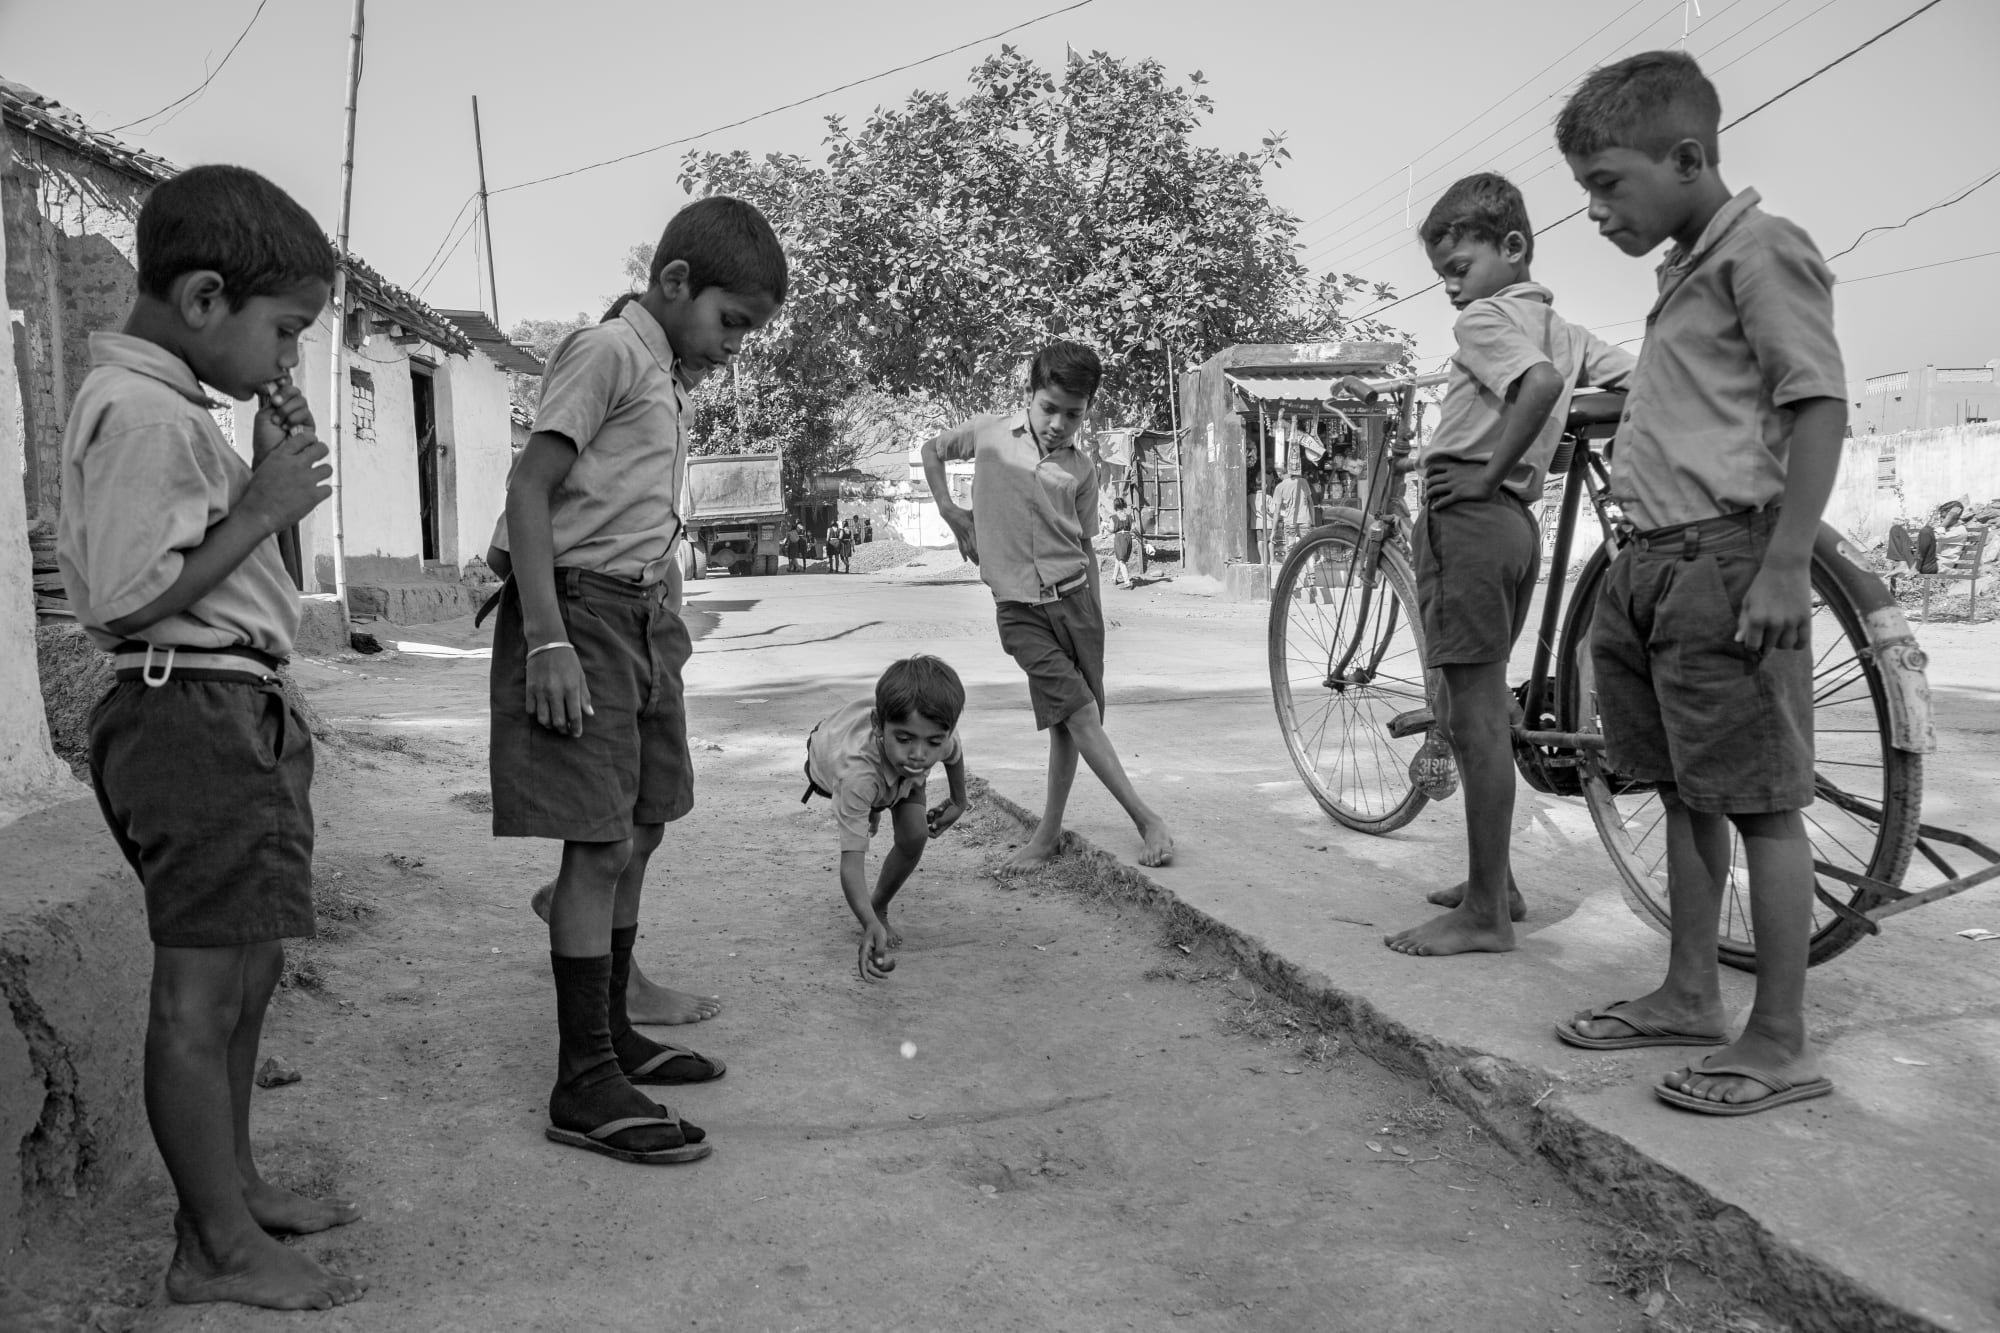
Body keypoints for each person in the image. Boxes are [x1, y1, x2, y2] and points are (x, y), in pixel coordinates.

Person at [55, 164, 365, 1309]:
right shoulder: (140, 414)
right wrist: (263, 506)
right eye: (284, 332)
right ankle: (212, 1248)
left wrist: (273, 496)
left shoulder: (178, 410)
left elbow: (236, 580)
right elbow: (134, 596)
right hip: (188, 711)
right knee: (199, 995)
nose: (287, 358)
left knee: (250, 968)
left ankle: (231, 1188)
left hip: (231, 703)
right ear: (200, 300)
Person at [1551, 52, 1846, 1117]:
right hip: (1650, 567)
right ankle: (1687, 992)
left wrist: (1782, 560)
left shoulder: (1758, 251)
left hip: (1726, 561)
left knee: (1759, 803)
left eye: (1606, 184)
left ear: (1685, 158)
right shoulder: (1681, 273)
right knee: (1681, 788)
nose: (1592, 210)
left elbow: (1815, 403)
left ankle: (1777, 1036)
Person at [486, 196, 786, 1163]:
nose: (735, 345)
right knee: (598, 842)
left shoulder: (660, 374)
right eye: (731, 322)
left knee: (645, 819)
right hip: (578, 619)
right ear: (674, 284)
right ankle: (583, 1083)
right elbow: (530, 488)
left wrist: (667, 612)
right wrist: (547, 642)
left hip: (639, 621)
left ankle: (611, 1036)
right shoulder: (608, 351)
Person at [1383, 171, 1634, 959]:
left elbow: (1541, 385)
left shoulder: (1489, 320)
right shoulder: (1561, 325)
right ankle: (1497, 881)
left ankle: (1487, 910)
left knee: (1478, 719)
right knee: (1473, 708)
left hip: (1469, 517)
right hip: (1517, 525)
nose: (1453, 291)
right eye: (1444, 277)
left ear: (1513, 247)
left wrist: (1489, 468)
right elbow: (1635, 382)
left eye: (1459, 267)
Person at [921, 341, 1175, 868]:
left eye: (1074, 414)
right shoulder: (989, 434)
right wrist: (951, 512)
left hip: (1077, 602)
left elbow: (1084, 544)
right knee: (1081, 714)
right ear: (1029, 394)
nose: (1059, 422)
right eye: (1049, 408)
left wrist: (1097, 620)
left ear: (1087, 411)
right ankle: (1146, 819)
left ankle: (1048, 835)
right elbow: (932, 450)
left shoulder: (1083, 470)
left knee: (1069, 722)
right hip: (1020, 612)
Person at [803, 656, 970, 980]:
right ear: (879, 726)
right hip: (829, 751)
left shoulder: (932, 735)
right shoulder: (856, 777)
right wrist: (867, 925)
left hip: (893, 775)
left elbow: (953, 752)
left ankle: (880, 903)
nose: (920, 753)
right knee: (870, 797)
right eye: (905, 738)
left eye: (933, 742)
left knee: (914, 835)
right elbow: (851, 863)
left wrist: (959, 800)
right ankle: (874, 812)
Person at [1271, 461, 1314, 560]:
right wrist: (1313, 522)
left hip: (1290, 522)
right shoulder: (1303, 482)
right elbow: (1311, 503)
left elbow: (1276, 512)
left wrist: (1273, 531)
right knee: (1308, 549)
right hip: (1305, 520)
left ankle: (1291, 574)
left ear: (1280, 473)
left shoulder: (1279, 487)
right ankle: (1311, 575)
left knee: (1290, 550)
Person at [1109, 497, 1137, 587]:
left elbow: (1112, 530)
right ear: (1123, 505)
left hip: (1119, 539)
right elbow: (1134, 528)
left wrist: (1104, 526)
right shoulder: (1129, 516)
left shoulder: (1113, 517)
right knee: (1119, 557)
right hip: (1128, 538)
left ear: (1115, 506)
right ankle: (1114, 578)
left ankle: (1127, 582)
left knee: (1121, 561)